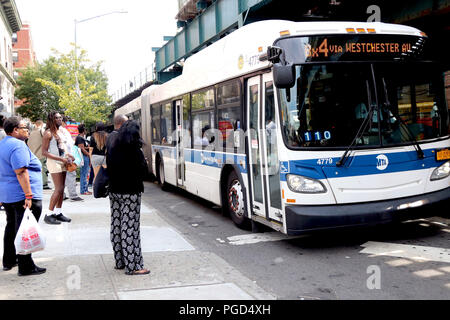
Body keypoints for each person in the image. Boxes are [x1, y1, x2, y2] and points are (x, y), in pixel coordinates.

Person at [0, 117, 46, 276]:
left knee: (12, 226)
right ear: (14, 130)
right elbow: (21, 172)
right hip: (22, 194)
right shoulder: (17, 145)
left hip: (8, 194)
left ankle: (9, 260)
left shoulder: (3, 144)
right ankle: (26, 266)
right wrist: (28, 195)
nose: (27, 129)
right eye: (24, 127)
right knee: (24, 229)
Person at [106, 120, 150, 275]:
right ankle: (133, 266)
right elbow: (143, 172)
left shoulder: (112, 145)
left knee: (117, 225)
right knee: (130, 228)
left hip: (114, 190)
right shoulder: (134, 150)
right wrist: (144, 163)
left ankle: (120, 261)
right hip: (130, 191)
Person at [41, 112, 73, 225]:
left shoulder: (60, 132)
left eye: (60, 117)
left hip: (63, 161)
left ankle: (58, 212)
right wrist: (61, 159)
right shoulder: (48, 133)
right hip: (54, 162)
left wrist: (68, 156)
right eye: (56, 118)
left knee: (62, 189)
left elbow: (62, 148)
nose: (60, 119)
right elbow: (44, 152)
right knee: (58, 189)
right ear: (51, 120)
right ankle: (49, 214)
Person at [61, 116, 83, 202]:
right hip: (66, 155)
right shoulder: (62, 131)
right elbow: (66, 144)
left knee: (63, 176)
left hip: (65, 155)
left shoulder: (60, 130)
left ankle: (62, 195)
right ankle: (73, 195)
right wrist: (69, 155)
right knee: (71, 174)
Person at [27, 120, 51, 190]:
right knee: (43, 169)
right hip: (41, 154)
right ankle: (44, 183)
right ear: (41, 124)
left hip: (33, 154)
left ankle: (37, 182)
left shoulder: (31, 133)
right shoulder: (41, 131)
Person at [75, 124, 92, 195]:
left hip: (86, 157)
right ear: (83, 130)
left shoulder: (82, 138)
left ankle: (85, 189)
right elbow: (81, 148)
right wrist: (88, 155)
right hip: (84, 157)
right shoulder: (80, 138)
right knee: (84, 174)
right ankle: (83, 190)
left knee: (86, 173)